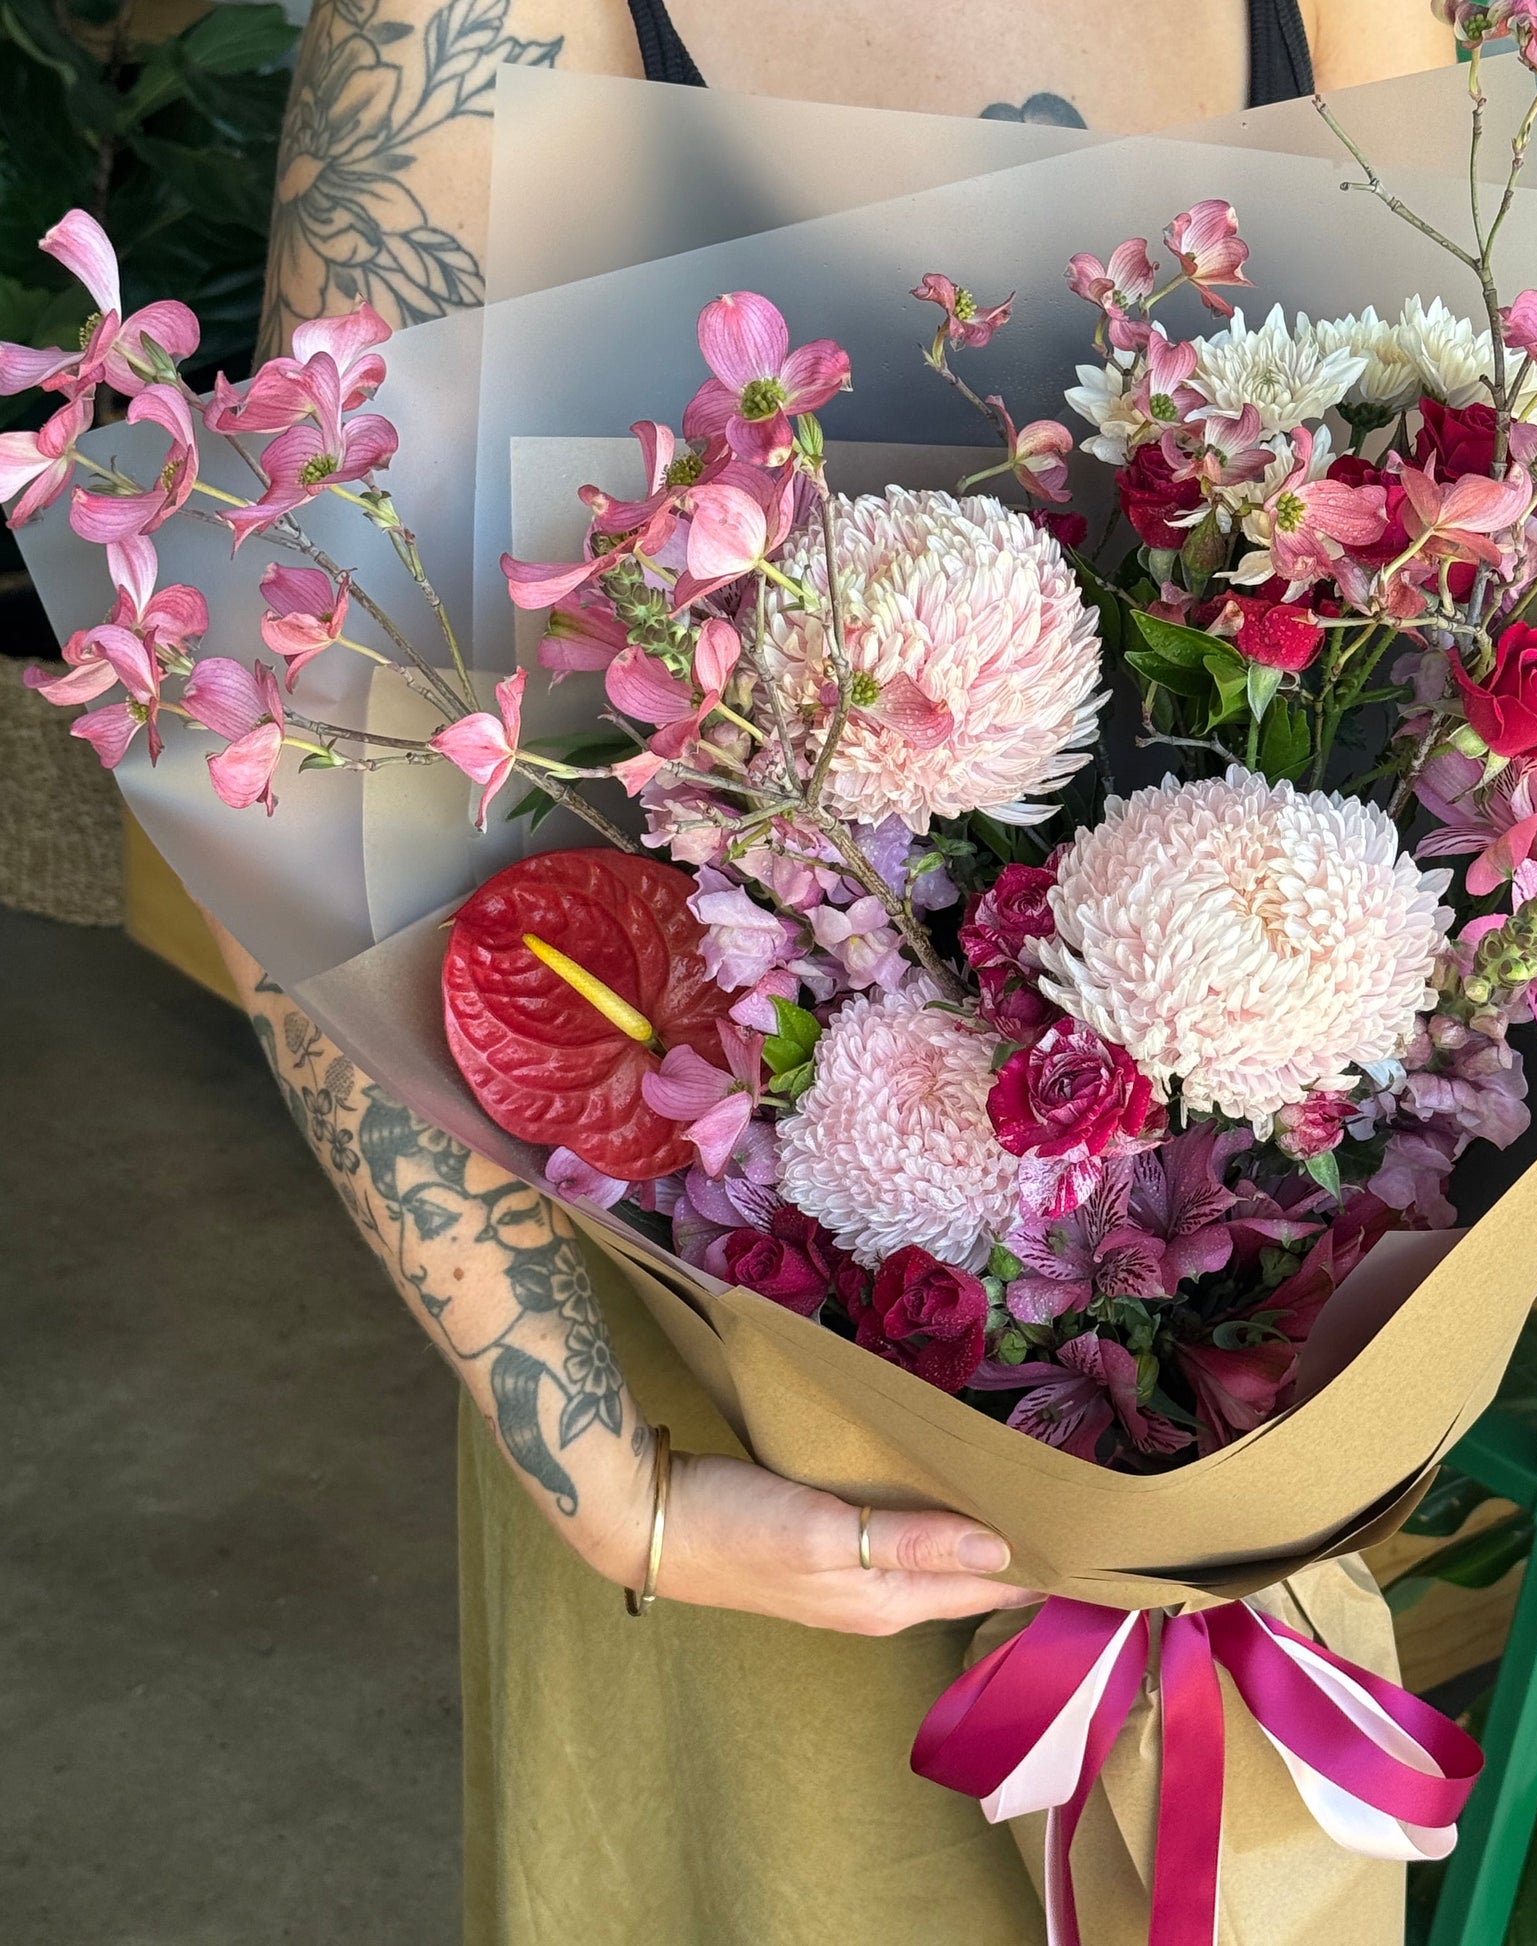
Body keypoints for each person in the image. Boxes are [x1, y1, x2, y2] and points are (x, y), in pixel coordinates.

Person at [224, 4, 1458, 1939]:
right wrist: (612, 1484)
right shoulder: (463, 22)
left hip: (1231, 1369)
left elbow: (1466, 530)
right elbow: (321, 734)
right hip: (713, 1376)